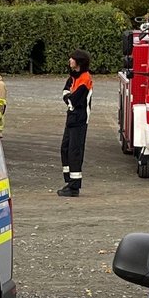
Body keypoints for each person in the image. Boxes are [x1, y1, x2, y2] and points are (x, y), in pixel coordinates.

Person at [59, 50, 92, 197]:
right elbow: (65, 93)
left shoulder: (85, 79)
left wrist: (69, 98)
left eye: (71, 59)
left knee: (75, 152)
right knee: (65, 149)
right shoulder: (73, 77)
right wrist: (68, 98)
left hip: (79, 120)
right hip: (71, 118)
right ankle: (69, 181)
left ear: (78, 61)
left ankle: (74, 186)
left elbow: (74, 99)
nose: (69, 61)